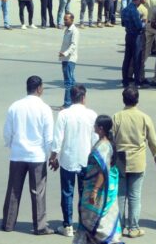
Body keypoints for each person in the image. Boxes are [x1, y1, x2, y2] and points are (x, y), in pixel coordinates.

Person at [1, 76, 54, 235]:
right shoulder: (44, 108)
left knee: (13, 190)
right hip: (37, 156)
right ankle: (40, 226)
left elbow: (7, 132)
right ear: (39, 89)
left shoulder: (15, 106)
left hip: (17, 155)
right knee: (38, 191)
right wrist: (49, 154)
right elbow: (48, 137)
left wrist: (13, 145)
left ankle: (8, 224)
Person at [111, 87, 156, 238]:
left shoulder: (117, 117)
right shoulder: (144, 117)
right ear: (137, 99)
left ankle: (118, 227)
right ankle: (133, 228)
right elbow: (153, 141)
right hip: (137, 161)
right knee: (134, 196)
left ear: (123, 99)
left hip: (120, 160)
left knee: (120, 196)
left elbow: (111, 140)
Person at [49, 84, 98, 237]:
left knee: (67, 192)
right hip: (85, 159)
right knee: (85, 193)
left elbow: (58, 138)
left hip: (68, 159)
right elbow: (95, 139)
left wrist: (53, 157)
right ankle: (84, 225)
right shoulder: (91, 115)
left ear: (71, 98)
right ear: (83, 97)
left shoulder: (64, 114)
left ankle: (68, 225)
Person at [75, 114, 121, 243]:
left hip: (100, 188)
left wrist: (95, 190)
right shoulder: (102, 142)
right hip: (98, 184)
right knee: (95, 216)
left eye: (95, 125)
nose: (93, 127)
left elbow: (103, 170)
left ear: (100, 128)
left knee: (98, 217)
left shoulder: (104, 146)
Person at [121, 0, 145, 87]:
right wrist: (143, 23)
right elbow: (139, 26)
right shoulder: (134, 11)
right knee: (136, 59)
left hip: (128, 34)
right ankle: (137, 81)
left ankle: (125, 80)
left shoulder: (125, 9)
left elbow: (123, 23)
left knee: (127, 58)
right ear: (138, 0)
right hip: (136, 36)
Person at [58, 13, 79, 109]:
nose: (65, 21)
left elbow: (73, 45)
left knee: (68, 82)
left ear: (72, 20)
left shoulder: (74, 31)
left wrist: (65, 53)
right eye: (64, 19)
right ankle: (75, 100)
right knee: (71, 81)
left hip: (70, 59)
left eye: (66, 19)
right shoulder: (67, 30)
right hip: (65, 58)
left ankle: (67, 103)